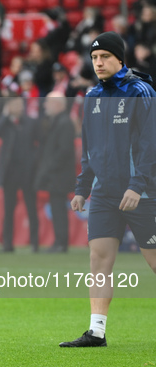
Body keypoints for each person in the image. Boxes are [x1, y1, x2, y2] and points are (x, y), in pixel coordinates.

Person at [60, 32, 156, 347]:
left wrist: (137, 184)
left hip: (141, 192)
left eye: (104, 57)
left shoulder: (141, 91)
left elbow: (149, 144)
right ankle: (96, 331)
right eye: (95, 58)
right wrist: (82, 188)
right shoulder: (91, 97)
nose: (98, 63)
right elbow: (89, 149)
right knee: (98, 259)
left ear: (119, 58)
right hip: (103, 193)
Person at [0, 93, 39, 253]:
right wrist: (4, 115)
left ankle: (35, 244)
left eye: (20, 104)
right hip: (9, 173)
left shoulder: (31, 123)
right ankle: (7, 244)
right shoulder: (5, 124)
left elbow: (39, 144)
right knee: (8, 209)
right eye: (15, 105)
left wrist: (33, 162)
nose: (19, 108)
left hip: (27, 172)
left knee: (32, 209)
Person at [34, 91, 76, 253]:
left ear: (58, 104)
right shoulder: (57, 122)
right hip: (57, 174)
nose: (45, 106)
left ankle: (61, 243)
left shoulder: (64, 123)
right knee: (57, 209)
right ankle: (59, 241)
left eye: (48, 103)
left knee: (59, 210)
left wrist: (49, 168)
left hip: (60, 175)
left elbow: (63, 150)